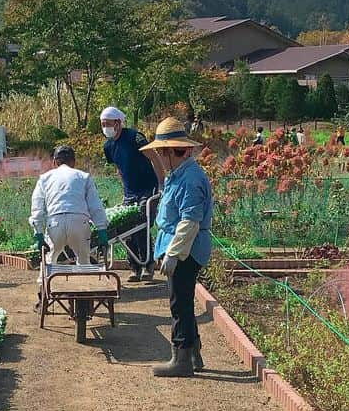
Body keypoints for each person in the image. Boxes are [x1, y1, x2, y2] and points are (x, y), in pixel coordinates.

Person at [139, 117, 214, 378]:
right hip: (180, 245)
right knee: (182, 300)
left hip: (186, 248)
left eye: (161, 152)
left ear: (173, 151)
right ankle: (193, 353)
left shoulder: (190, 179)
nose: (158, 157)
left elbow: (189, 222)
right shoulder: (179, 174)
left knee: (179, 304)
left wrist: (173, 254)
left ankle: (181, 358)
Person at [29, 145, 108, 299]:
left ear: (54, 162)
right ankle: (84, 294)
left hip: (55, 222)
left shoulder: (44, 178)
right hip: (79, 222)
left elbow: (37, 208)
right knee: (83, 259)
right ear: (73, 162)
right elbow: (95, 206)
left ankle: (43, 293)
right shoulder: (83, 177)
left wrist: (38, 234)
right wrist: (101, 230)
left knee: (51, 258)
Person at [100, 105, 160, 281]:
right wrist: (125, 190)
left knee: (142, 224)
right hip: (130, 192)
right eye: (103, 124)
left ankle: (148, 265)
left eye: (108, 124)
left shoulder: (135, 137)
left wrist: (162, 183)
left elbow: (154, 157)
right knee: (126, 228)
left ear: (118, 123)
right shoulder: (108, 146)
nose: (105, 128)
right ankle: (135, 268)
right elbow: (119, 168)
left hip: (147, 187)